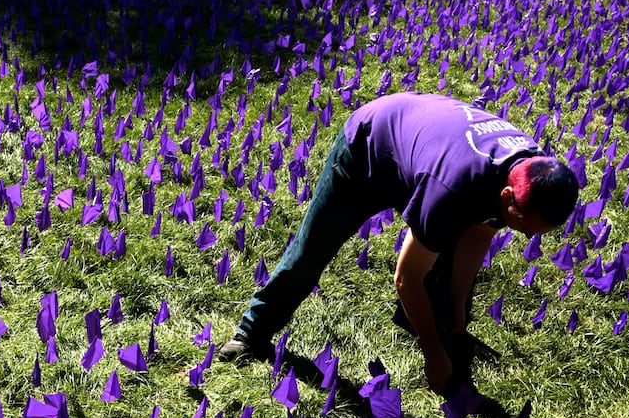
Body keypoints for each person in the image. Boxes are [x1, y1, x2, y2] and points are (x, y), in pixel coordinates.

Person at [217, 92, 580, 393]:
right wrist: (432, 351)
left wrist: (456, 302)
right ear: (506, 197)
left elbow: (480, 231)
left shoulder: (529, 172)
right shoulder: (452, 190)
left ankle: (445, 365)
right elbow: (407, 278)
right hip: (366, 152)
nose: (532, 237)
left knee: (450, 287)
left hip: (421, 150)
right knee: (311, 253)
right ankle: (252, 332)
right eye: (527, 226)